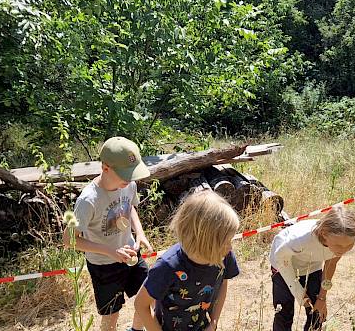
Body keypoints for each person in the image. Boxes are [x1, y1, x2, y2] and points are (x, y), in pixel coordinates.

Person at [63, 136, 154, 331]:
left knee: (145, 299)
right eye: (125, 174)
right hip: (103, 265)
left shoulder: (129, 184)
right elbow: (69, 240)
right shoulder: (88, 200)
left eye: (132, 174)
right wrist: (110, 252)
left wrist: (139, 233)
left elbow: (129, 207)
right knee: (111, 313)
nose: (129, 179)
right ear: (105, 168)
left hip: (130, 254)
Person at [135, 190, 240, 331]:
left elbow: (223, 283)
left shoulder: (223, 256)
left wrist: (214, 322)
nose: (230, 247)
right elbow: (140, 304)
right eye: (226, 241)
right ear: (204, 241)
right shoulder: (167, 267)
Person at [269, 207, 355, 331]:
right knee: (283, 311)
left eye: (348, 245)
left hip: (312, 265)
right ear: (324, 234)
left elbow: (331, 265)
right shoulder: (300, 239)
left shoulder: (343, 241)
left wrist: (322, 298)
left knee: (317, 313)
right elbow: (282, 260)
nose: (343, 250)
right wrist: (299, 293)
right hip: (283, 265)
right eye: (338, 246)